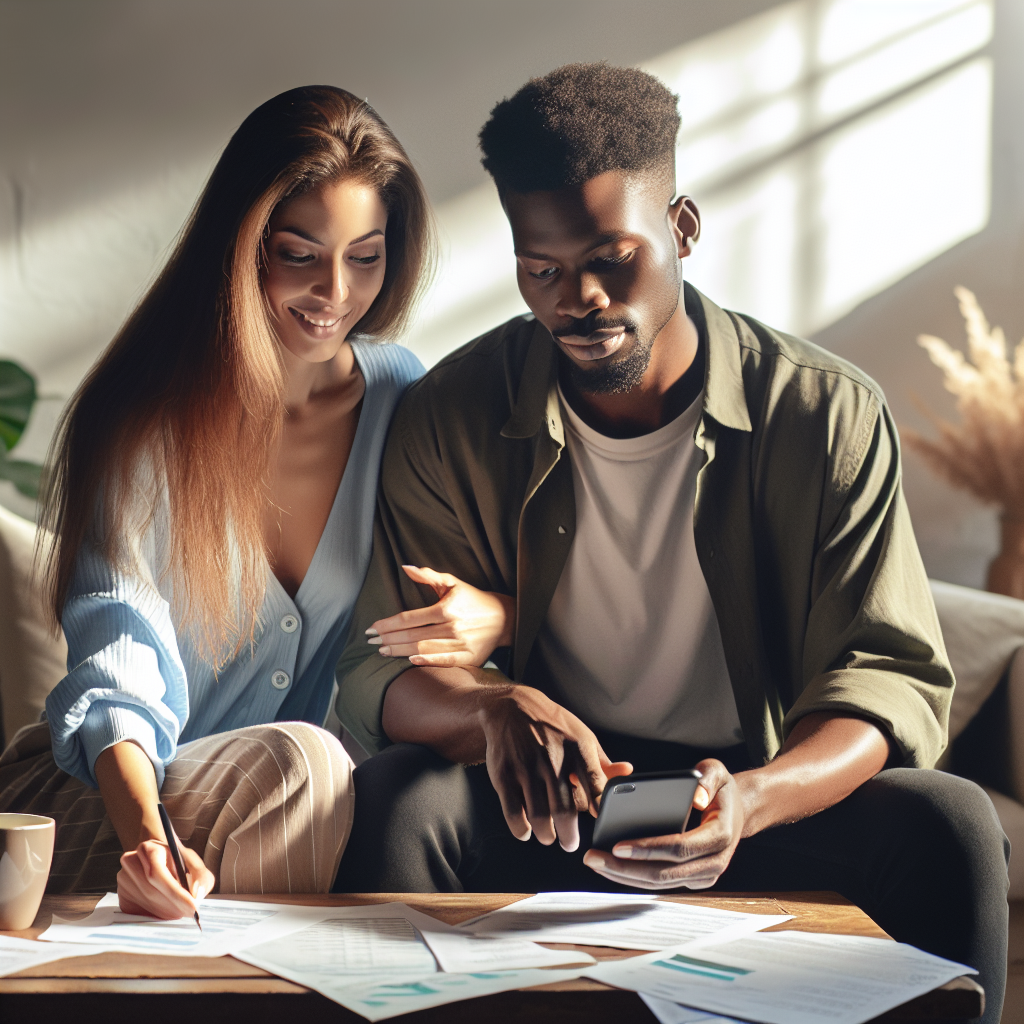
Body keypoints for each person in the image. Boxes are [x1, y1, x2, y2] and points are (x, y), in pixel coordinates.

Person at [333, 64, 1009, 1022]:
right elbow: (379, 671)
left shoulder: (825, 415)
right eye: (544, 271)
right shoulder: (454, 411)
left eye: (615, 257)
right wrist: (495, 712)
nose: (582, 299)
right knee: (404, 798)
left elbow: (886, 682)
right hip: (554, 805)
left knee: (952, 824)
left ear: (683, 229)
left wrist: (751, 800)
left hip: (741, 795)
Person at [0, 85, 510, 921]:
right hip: (105, 793)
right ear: (242, 247)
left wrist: (497, 615)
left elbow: (436, 619)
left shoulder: (403, 399)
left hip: (292, 805)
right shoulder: (144, 420)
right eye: (299, 253)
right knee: (305, 766)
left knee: (329, 776)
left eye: (366, 255)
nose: (335, 293)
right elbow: (118, 667)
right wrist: (149, 838)